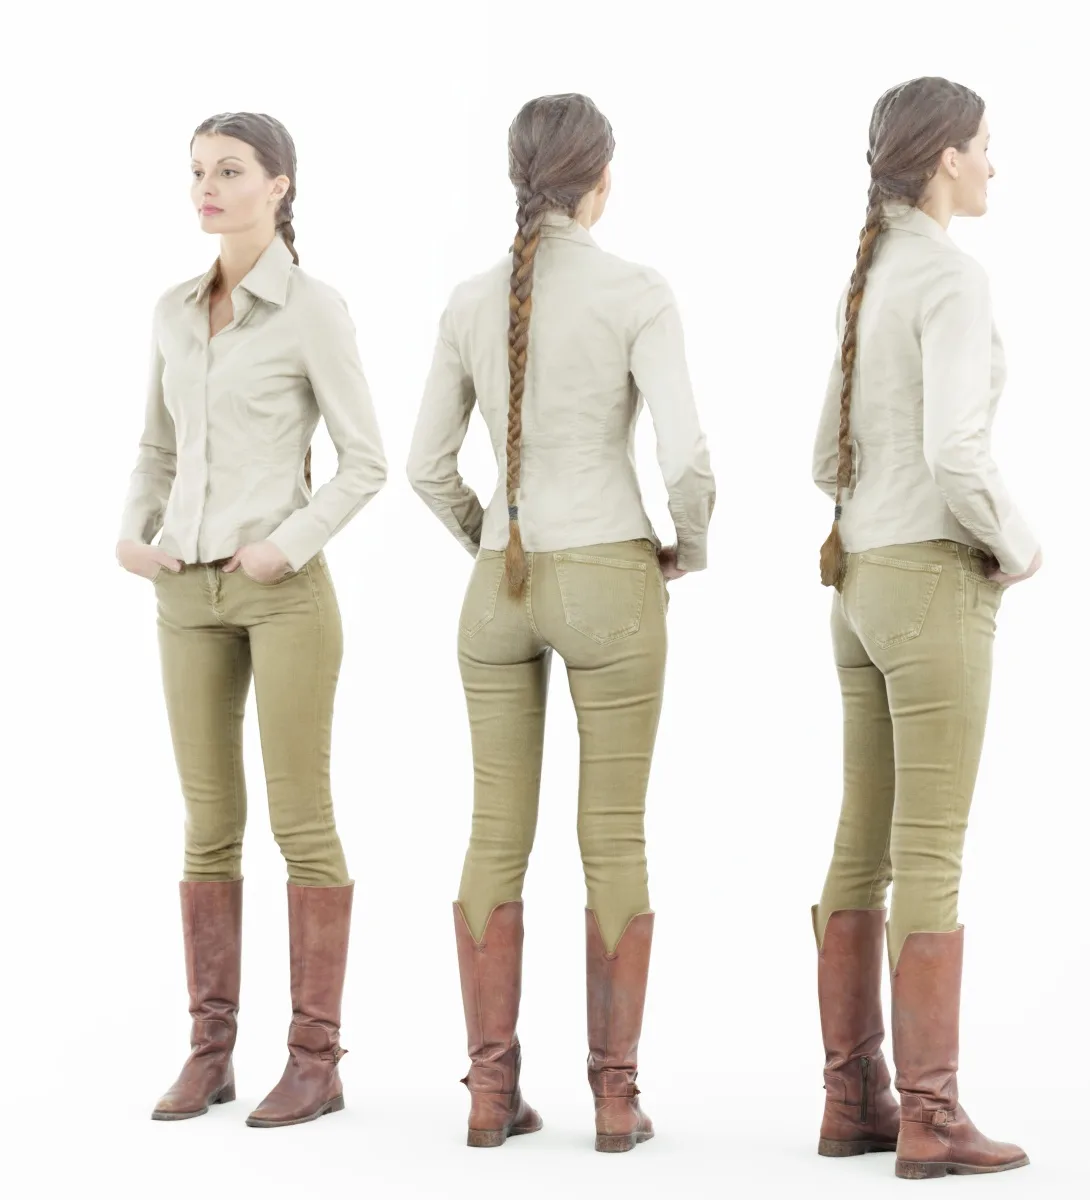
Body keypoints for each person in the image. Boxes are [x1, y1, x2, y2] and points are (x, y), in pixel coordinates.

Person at [407, 92, 715, 1153]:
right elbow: (686, 460)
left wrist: (487, 538)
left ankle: (491, 1097)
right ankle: (615, 1101)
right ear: (602, 177)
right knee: (613, 833)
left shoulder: (466, 296)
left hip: (500, 579)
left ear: (516, 174)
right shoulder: (637, 290)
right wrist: (692, 546)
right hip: (612, 572)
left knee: (494, 830)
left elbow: (424, 466)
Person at [116, 111, 387, 1129]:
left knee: (301, 821)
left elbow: (366, 460)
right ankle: (209, 1052)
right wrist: (131, 535)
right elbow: (155, 446)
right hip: (183, 593)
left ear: (280, 185)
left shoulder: (313, 310)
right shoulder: (174, 311)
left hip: (281, 595)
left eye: (229, 170)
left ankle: (315, 1061)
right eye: (196, 171)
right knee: (207, 822)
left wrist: (287, 542)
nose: (207, 187)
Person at [810, 77, 1040, 1179]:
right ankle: (933, 1118)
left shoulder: (869, 276)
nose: (996, 164)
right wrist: (1018, 539)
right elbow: (958, 451)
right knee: (930, 852)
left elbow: (822, 460)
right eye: (988, 146)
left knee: (864, 837)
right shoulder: (947, 275)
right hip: (934, 577)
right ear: (946, 156)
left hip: (856, 582)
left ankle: (853, 1098)